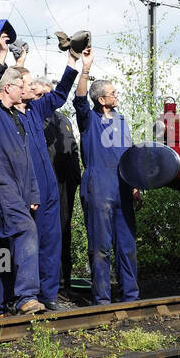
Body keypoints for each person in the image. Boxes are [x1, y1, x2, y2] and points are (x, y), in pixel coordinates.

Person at [0, 32, 44, 316]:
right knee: (26, 230)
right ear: (9, 88)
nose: (25, 89)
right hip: (0, 187)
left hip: (18, 189)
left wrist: (34, 193)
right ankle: (26, 296)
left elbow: (25, 160)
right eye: (22, 85)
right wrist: (2, 55)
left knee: (3, 248)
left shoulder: (17, 119)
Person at [75, 50, 140, 304]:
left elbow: (130, 157)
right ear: (102, 99)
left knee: (127, 245)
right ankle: (102, 299)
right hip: (98, 187)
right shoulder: (89, 120)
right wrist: (86, 69)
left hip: (123, 188)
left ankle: (131, 296)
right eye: (112, 93)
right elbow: (80, 98)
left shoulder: (121, 121)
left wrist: (135, 187)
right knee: (101, 247)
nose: (116, 96)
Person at [18, 57, 80, 310]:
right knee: (29, 242)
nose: (34, 89)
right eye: (29, 84)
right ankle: (26, 294)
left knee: (52, 240)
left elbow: (61, 94)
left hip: (51, 187)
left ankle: (49, 294)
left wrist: (73, 63)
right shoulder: (9, 116)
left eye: (35, 85)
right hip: (29, 187)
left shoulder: (37, 112)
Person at [45, 106, 82, 295]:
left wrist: (76, 177)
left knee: (64, 231)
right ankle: (52, 284)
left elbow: (73, 149)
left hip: (67, 185)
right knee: (50, 234)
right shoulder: (37, 120)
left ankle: (64, 282)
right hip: (48, 185)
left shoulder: (64, 121)